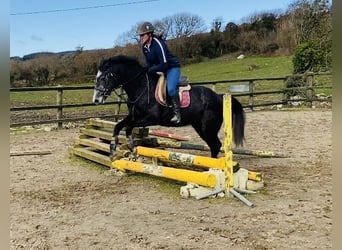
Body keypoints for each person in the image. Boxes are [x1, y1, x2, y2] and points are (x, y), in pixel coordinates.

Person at [137, 21, 181, 124]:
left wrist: (150, 70)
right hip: (160, 70)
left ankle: (177, 113)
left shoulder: (158, 44)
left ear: (150, 34)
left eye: (143, 35)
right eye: (140, 35)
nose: (141, 37)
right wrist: (144, 70)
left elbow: (164, 64)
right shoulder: (144, 47)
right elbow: (149, 64)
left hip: (171, 68)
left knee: (170, 89)